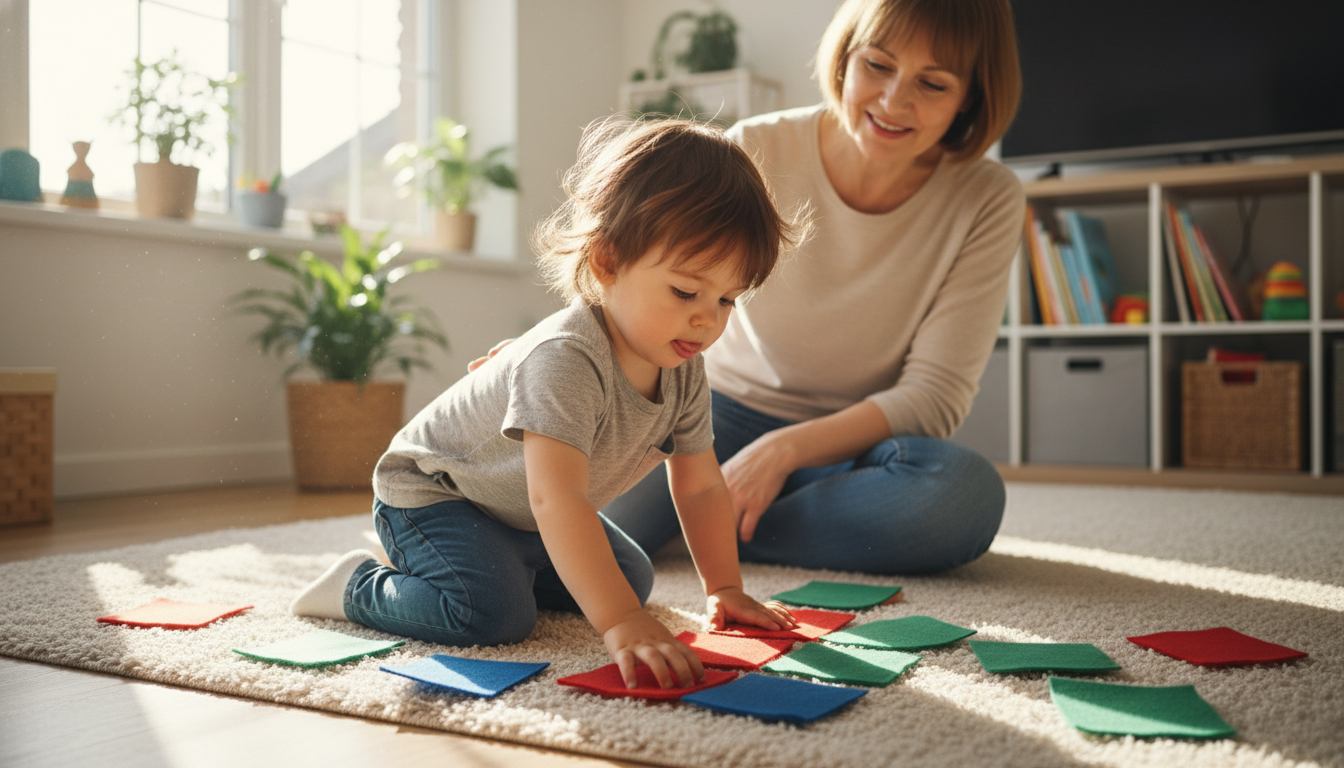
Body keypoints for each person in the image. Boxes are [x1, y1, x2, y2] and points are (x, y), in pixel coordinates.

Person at [290, 118, 800, 690]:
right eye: (686, 291)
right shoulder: (566, 358)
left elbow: (702, 484)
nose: (708, 319)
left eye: (728, 298)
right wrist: (620, 625)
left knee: (630, 581)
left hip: (520, 516)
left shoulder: (685, 367)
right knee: (493, 616)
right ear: (607, 262)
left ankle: (496, 565)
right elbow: (556, 498)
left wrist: (724, 588)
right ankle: (356, 584)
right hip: (436, 496)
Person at [599, 0, 1026, 575]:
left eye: (932, 83)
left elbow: (935, 395)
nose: (894, 101)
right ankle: (719, 513)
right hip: (704, 412)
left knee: (961, 497)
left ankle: (715, 523)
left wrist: (784, 451)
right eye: (877, 65)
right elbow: (639, 282)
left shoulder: (987, 197)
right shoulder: (757, 149)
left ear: (971, 96)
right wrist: (565, 352)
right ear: (845, 59)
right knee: (561, 522)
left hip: (849, 448)